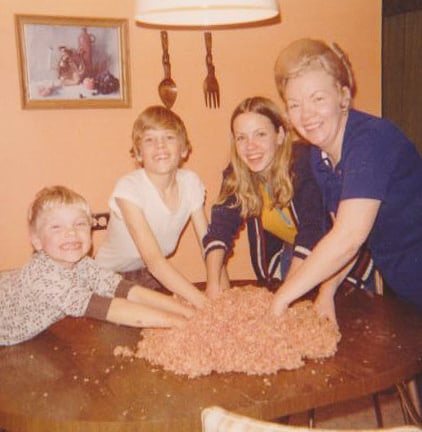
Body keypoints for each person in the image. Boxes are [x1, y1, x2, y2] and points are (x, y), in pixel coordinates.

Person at [271, 38, 422, 319]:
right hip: (404, 282)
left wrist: (281, 299)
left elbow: (349, 237)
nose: (307, 115)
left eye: (318, 98)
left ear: (342, 96)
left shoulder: (371, 140)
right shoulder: (321, 157)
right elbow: (340, 233)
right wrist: (327, 291)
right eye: (294, 104)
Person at [202, 96, 376, 310]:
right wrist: (212, 286)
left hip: (341, 259)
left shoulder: (304, 163)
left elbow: (313, 231)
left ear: (280, 135)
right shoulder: (237, 174)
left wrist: (284, 298)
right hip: (295, 256)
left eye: (261, 134)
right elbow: (220, 230)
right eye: (241, 138)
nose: (250, 147)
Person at [0, 186, 192, 346]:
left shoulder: (81, 264)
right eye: (56, 227)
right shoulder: (44, 278)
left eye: (80, 224)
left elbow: (121, 288)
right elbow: (109, 309)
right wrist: (176, 322)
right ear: (36, 241)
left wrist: (184, 310)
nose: (71, 233)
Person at [95, 105, 207, 310]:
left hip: (147, 275)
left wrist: (221, 293)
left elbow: (209, 246)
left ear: (184, 149)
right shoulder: (129, 189)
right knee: (183, 312)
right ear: (138, 154)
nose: (160, 145)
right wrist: (206, 304)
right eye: (149, 139)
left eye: (169, 137)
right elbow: (156, 262)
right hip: (108, 278)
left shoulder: (191, 183)